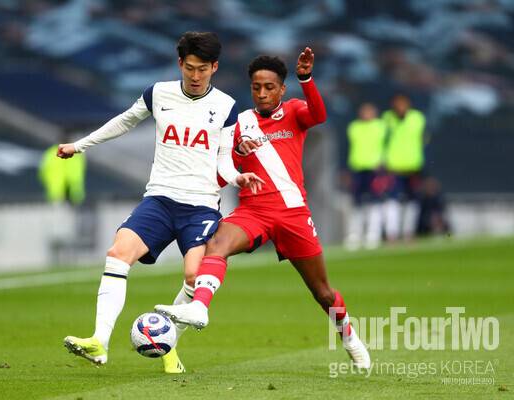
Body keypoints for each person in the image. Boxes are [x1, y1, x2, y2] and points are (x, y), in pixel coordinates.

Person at [57, 31, 263, 373]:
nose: (195, 76)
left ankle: (169, 346)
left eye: (203, 69)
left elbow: (225, 159)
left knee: (195, 276)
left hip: (200, 206)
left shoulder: (226, 106)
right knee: (118, 254)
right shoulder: (158, 93)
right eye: (190, 68)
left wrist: (236, 177)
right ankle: (99, 341)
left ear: (214, 67)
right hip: (160, 199)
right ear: (180, 63)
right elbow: (124, 121)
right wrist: (79, 145)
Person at [155, 48, 371, 368]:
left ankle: (350, 338)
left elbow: (319, 115)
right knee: (216, 245)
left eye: (269, 87)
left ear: (282, 89)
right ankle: (200, 307)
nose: (262, 93)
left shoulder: (295, 111)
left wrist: (306, 79)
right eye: (256, 87)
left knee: (323, 293)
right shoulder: (239, 123)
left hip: (293, 213)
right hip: (253, 211)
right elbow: (222, 172)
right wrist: (236, 156)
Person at [382, 94, 427, 242]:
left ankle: (409, 232)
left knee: (413, 201)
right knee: (392, 200)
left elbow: (422, 138)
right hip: (393, 167)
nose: (400, 107)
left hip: (413, 166)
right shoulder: (387, 118)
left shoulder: (417, 118)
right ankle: (392, 234)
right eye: (398, 104)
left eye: (403, 103)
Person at [343, 103, 386, 250]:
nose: (366, 114)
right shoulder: (354, 127)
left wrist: (383, 162)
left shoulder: (381, 126)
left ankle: (373, 234)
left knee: (374, 202)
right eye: (364, 111)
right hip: (357, 168)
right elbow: (348, 148)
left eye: (369, 111)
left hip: (375, 170)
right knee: (356, 203)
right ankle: (354, 235)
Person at [38, 140, 86, 205]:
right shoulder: (76, 153)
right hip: (60, 192)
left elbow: (43, 171)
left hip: (71, 192)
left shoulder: (51, 152)